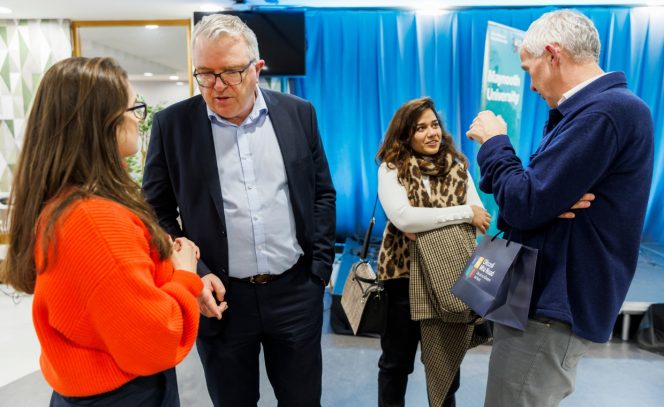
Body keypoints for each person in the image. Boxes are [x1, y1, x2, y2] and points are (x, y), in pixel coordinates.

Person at [142, 14, 336, 407]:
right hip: (221, 301)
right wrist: (195, 275)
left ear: (257, 69)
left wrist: (318, 271)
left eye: (230, 73)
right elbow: (155, 212)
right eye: (205, 74)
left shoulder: (299, 114)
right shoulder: (173, 126)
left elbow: (321, 194)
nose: (217, 86)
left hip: (294, 291)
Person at [466, 9, 654, 407]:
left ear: (552, 54)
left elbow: (522, 202)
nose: (529, 83)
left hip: (551, 303)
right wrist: (540, 201)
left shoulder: (605, 112)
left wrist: (494, 143)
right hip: (538, 296)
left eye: (528, 68)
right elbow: (528, 200)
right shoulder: (587, 113)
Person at [0, 57, 204, 406]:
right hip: (122, 394)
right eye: (132, 107)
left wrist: (165, 268)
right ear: (101, 122)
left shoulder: (69, 204)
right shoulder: (96, 221)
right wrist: (186, 276)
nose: (137, 120)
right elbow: (155, 339)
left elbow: (113, 297)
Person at [375, 97, 492, 407]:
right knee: (396, 363)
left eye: (435, 125)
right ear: (405, 135)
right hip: (402, 278)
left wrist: (427, 222)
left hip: (449, 279)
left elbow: (481, 216)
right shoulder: (392, 167)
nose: (432, 133)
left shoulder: (457, 165)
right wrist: (463, 213)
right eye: (420, 128)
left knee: (446, 367)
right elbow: (404, 218)